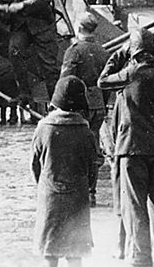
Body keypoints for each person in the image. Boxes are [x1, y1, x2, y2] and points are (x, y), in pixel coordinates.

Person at [99, 27, 154, 267]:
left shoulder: (130, 73)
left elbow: (102, 80)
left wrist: (121, 53)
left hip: (131, 150)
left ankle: (141, 261)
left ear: (134, 52)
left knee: (135, 209)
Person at [31, 76, 97, 267]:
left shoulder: (43, 128)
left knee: (50, 249)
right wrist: (87, 187)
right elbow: (92, 167)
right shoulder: (85, 131)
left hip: (50, 194)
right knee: (75, 251)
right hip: (77, 195)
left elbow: (35, 165)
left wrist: (44, 185)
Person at [60, 12, 110, 205]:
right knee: (93, 145)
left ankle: (75, 191)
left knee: (73, 147)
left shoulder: (74, 51)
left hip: (78, 106)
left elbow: (65, 83)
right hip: (98, 104)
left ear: (79, 27)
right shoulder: (102, 51)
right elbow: (106, 85)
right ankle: (91, 190)